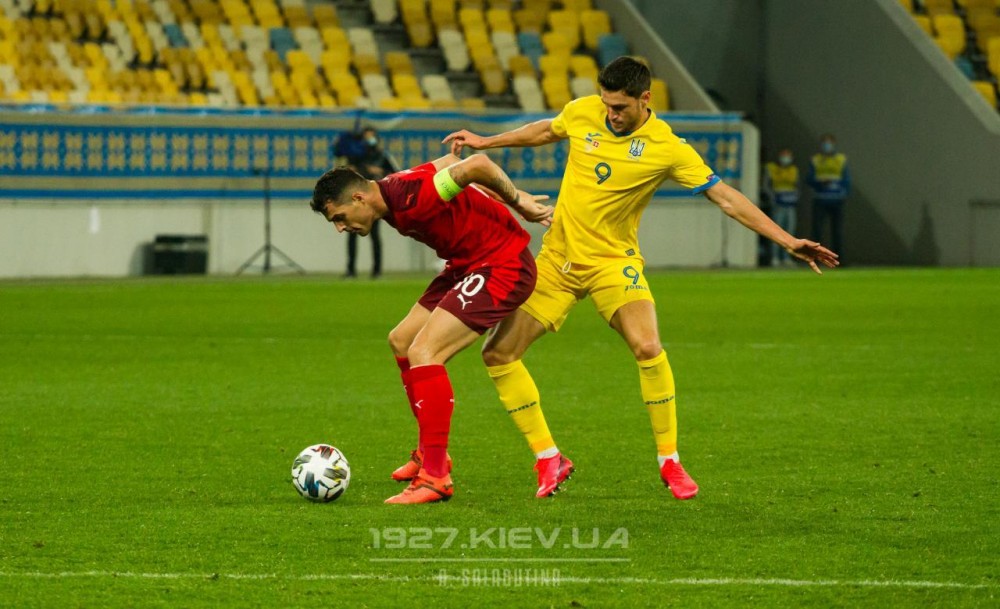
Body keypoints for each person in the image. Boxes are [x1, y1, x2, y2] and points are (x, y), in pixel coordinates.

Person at [443, 56, 839, 500]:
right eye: (606, 105)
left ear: (645, 99)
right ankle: (549, 458)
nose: (610, 114)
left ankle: (670, 461)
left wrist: (787, 240)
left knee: (648, 346)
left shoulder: (667, 147)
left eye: (620, 108)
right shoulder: (584, 111)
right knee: (498, 353)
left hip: (614, 264)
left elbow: (726, 198)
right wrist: (487, 141)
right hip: (557, 261)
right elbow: (546, 131)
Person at [310, 153, 553, 504]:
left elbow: (478, 164)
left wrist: (519, 201)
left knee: (425, 352)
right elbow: (450, 160)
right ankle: (429, 452)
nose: (339, 228)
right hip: (467, 264)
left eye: (339, 217)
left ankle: (436, 477)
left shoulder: (415, 197)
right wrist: (513, 195)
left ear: (359, 198)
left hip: (501, 264)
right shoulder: (392, 190)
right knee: (402, 340)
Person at [334, 127, 397, 278]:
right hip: (355, 200)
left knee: (374, 235)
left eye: (371, 136)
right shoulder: (356, 156)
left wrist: (380, 172)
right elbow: (342, 167)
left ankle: (376, 271)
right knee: (352, 233)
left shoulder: (382, 156)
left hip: (374, 200)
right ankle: (351, 270)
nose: (369, 140)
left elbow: (396, 174)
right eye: (366, 137)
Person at [807, 133, 850, 262]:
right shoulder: (815, 160)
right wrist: (820, 183)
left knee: (837, 231)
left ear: (834, 144)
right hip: (820, 198)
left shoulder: (841, 159)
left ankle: (837, 260)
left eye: (829, 143)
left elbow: (846, 180)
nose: (827, 145)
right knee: (817, 231)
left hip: (836, 199)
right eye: (825, 143)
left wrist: (844, 195)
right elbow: (809, 179)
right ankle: (815, 258)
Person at [763, 148, 801, 266]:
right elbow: (766, 186)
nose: (785, 158)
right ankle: (775, 257)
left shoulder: (794, 170)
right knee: (776, 231)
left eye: (788, 156)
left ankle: (786, 257)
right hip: (777, 204)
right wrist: (773, 198)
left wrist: (795, 197)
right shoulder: (771, 168)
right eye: (783, 155)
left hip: (790, 204)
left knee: (789, 231)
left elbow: (798, 187)